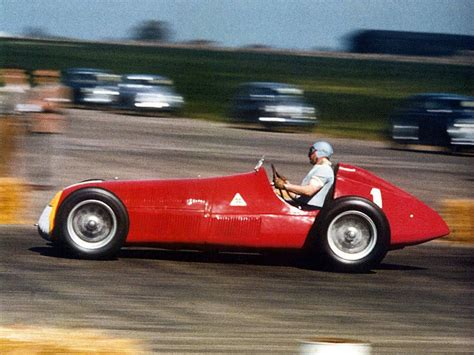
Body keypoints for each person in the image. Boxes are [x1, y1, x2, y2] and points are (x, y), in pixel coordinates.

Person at [274, 141, 335, 208]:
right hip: (304, 205)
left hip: (310, 208)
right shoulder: (320, 168)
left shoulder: (324, 169)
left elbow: (309, 191)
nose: (309, 155)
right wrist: (286, 184)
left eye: (311, 151)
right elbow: (299, 197)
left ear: (319, 153)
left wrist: (285, 186)